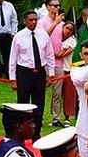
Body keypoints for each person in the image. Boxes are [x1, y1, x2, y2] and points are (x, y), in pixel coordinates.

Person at [9, 10, 56, 141]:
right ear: (25, 21)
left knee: (39, 104)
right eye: (31, 20)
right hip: (24, 72)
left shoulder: (43, 35)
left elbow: (49, 55)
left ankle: (36, 133)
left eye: (35, 19)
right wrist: (13, 79)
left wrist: (50, 74)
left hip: (39, 72)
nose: (33, 22)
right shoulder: (19, 36)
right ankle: (21, 133)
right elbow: (13, 58)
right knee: (22, 104)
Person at [37, 0, 67, 127]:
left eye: (58, 5)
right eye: (54, 5)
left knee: (57, 92)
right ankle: (39, 116)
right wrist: (55, 23)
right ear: (47, 6)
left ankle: (55, 117)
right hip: (45, 61)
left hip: (58, 61)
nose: (56, 8)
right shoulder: (41, 22)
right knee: (40, 91)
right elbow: (43, 37)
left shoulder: (62, 24)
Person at [59, 21, 78, 126]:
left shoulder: (73, 41)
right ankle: (55, 116)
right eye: (67, 28)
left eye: (71, 29)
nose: (68, 31)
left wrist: (60, 52)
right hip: (58, 69)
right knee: (57, 94)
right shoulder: (57, 38)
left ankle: (67, 117)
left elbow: (62, 54)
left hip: (68, 69)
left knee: (68, 94)